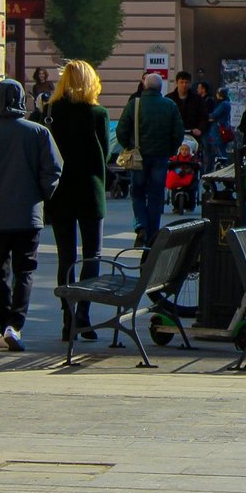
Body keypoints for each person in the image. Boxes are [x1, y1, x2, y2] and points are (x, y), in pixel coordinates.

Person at [0, 80, 62, 353]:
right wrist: (41, 193)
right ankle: (15, 324)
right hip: (28, 214)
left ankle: (3, 323)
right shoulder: (39, 133)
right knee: (25, 271)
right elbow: (53, 169)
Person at [44, 60, 110, 342]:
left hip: (60, 191)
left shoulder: (51, 112)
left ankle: (67, 315)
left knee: (66, 256)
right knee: (92, 253)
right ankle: (84, 311)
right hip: (90, 189)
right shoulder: (97, 112)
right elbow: (104, 153)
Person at [115, 72, 183, 245]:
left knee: (137, 193)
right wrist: (171, 149)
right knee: (156, 195)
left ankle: (141, 225)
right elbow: (178, 133)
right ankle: (153, 233)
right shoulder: (170, 105)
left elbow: (121, 131)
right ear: (161, 87)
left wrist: (128, 146)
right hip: (160, 156)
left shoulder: (134, 105)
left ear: (144, 86)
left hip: (138, 156)